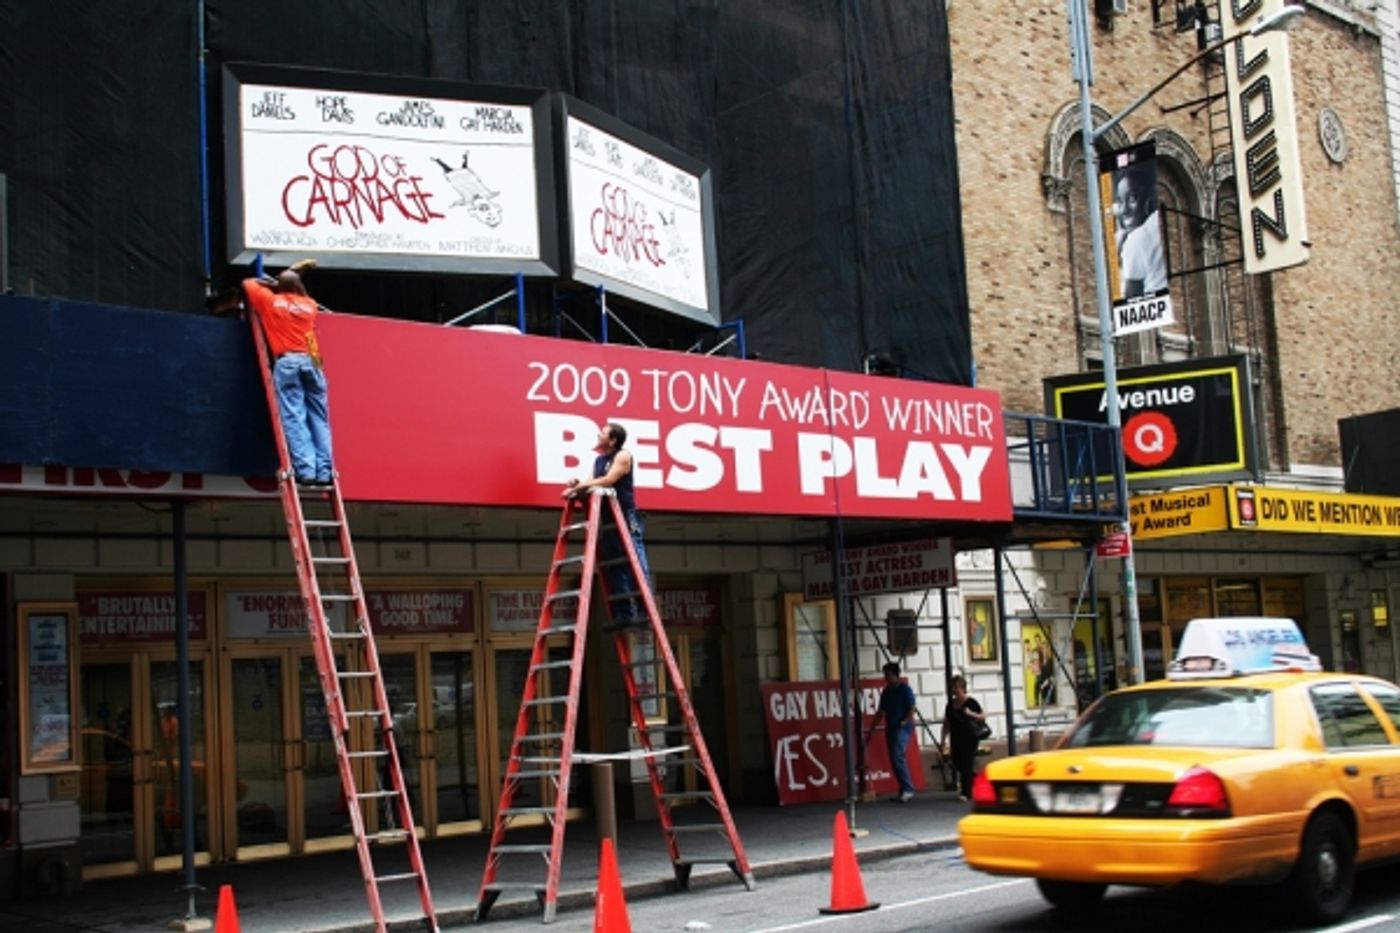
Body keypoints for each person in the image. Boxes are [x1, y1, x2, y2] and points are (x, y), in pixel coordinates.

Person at [242, 262, 334, 487]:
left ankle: (306, 470)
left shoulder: (271, 302)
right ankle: (324, 472)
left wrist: (272, 283)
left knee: (294, 416)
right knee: (319, 418)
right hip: (312, 361)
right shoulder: (310, 305)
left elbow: (248, 283)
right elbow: (302, 298)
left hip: (288, 362)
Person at [563, 422, 651, 627]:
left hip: (625, 516)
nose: (598, 434)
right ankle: (624, 614)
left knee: (634, 564)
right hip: (609, 519)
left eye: (603, 432)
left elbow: (609, 480)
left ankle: (644, 612)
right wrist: (576, 487)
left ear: (612, 440)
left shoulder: (623, 456)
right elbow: (590, 483)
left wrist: (580, 486)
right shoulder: (599, 460)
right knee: (614, 566)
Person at [865, 662, 917, 803]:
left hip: (902, 728)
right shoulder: (886, 692)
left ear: (895, 675)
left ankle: (908, 788)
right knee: (894, 759)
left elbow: (912, 707)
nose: (885, 678)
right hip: (891, 727)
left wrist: (905, 721)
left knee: (898, 755)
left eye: (887, 674)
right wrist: (872, 727)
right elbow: (881, 711)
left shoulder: (905, 689)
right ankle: (903, 788)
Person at [1113, 167, 1166, 299]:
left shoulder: (1137, 239)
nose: (1124, 210)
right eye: (1120, 201)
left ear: (1149, 199)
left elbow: (1131, 299)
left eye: (1132, 199)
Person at [939, 674, 986, 802]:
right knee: (957, 763)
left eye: (956, 687)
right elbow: (946, 723)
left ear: (963, 688)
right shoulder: (950, 705)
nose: (954, 690)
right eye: (952, 687)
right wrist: (943, 740)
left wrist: (970, 713)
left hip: (969, 738)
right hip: (956, 737)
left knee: (966, 763)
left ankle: (966, 793)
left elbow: (982, 716)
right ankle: (977, 780)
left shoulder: (971, 702)